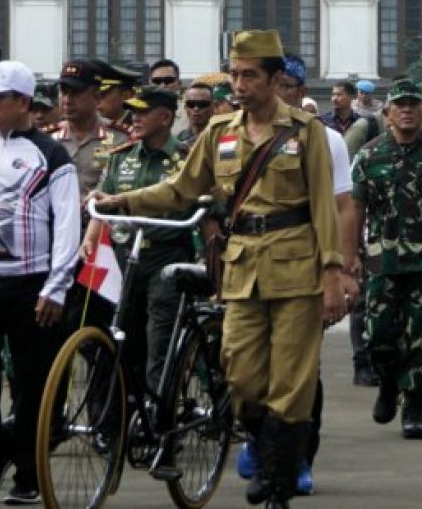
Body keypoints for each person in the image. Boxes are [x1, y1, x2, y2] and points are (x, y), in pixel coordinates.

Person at [96, 29, 351, 509]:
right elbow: (180, 189)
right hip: (241, 268)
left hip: (296, 268)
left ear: (275, 79)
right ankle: (265, 445)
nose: (239, 84)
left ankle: (278, 483)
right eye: (234, 74)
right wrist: (124, 199)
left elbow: (323, 206)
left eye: (249, 75)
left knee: (291, 383)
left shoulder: (304, 131)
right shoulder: (220, 131)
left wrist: (333, 273)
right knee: (239, 374)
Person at [0, 60, 79, 504]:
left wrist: (56, 286)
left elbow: (66, 226)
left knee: (32, 383)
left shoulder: (52, 156)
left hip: (33, 283)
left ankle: (28, 472)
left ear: (22, 102)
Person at [271, 54, 361, 495]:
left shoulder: (326, 140)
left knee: (303, 369)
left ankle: (300, 456)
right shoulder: (233, 134)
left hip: (306, 268)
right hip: (250, 268)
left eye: (286, 84)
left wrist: (340, 272)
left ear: (300, 91)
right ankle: (258, 434)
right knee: (243, 367)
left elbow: (344, 207)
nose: (276, 93)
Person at [352, 77, 422, 441]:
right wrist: (349, 255)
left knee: (421, 338)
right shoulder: (369, 156)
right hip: (383, 262)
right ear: (387, 113)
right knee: (379, 335)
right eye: (400, 105)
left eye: (414, 105)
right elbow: (355, 209)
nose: (407, 111)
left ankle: (413, 408)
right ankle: (387, 384)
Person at [85, 88, 193, 395]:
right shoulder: (120, 158)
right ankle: (122, 414)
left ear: (165, 118)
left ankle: (159, 413)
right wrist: (90, 240)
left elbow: (205, 208)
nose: (135, 118)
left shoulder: (187, 159)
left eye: (144, 112)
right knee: (120, 335)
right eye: (133, 112)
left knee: (159, 338)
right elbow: (103, 206)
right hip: (125, 257)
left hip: (168, 257)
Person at [49, 60, 128, 199]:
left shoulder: (122, 139)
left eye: (76, 93)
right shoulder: (48, 139)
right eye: (64, 92)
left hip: (100, 216)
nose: (67, 100)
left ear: (97, 97)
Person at [96, 61, 141, 136]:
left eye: (102, 95)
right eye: (95, 95)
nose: (97, 101)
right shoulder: (91, 126)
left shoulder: (138, 126)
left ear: (126, 96)